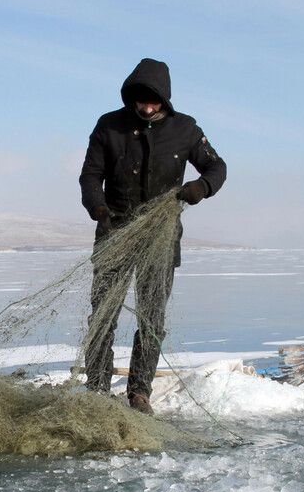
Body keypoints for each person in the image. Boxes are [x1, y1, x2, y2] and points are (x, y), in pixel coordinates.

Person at [79, 57, 226, 414]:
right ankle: (97, 388)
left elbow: (217, 167)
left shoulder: (186, 129)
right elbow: (89, 177)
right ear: (131, 96)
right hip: (114, 234)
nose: (146, 108)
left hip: (160, 239)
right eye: (140, 101)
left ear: (165, 100)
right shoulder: (109, 126)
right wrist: (99, 210)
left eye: (154, 102)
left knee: (151, 316)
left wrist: (202, 187)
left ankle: (139, 392)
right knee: (103, 315)